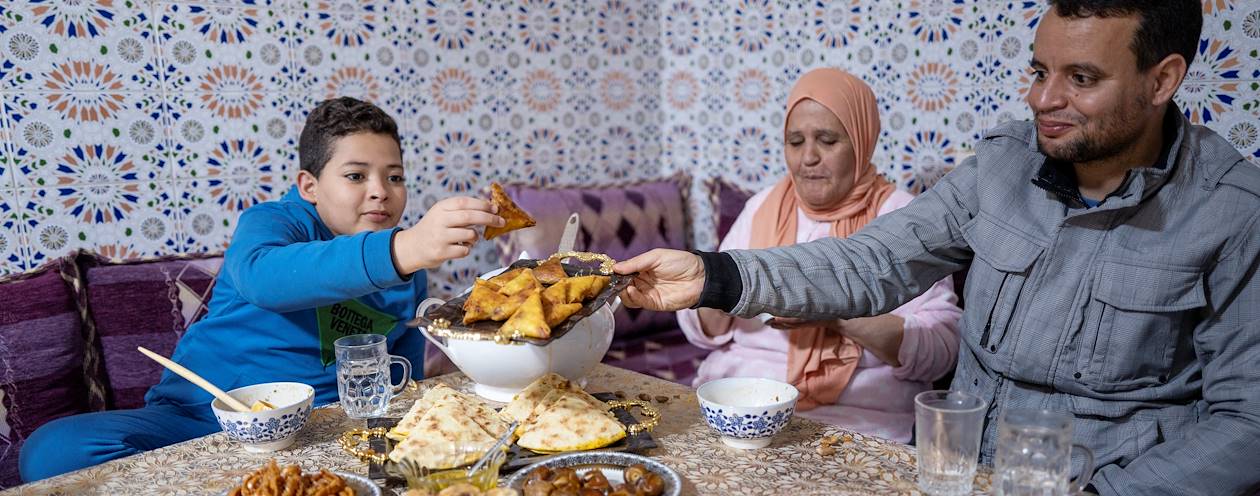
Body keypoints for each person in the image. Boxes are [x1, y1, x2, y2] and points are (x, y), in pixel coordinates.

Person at [613, 1, 1260, 494]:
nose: (1043, 99)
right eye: (1039, 71)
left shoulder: (1232, 211)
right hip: (952, 468)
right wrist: (712, 276)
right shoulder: (1002, 166)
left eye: (1081, 78)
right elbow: (872, 261)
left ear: (1162, 79)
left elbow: (1247, 423)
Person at [19, 97, 504, 481]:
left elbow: (402, 384)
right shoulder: (274, 223)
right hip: (198, 420)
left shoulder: (409, 270)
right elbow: (265, 279)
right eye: (356, 175)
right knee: (53, 451)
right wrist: (403, 248)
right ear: (310, 186)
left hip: (320, 434)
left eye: (394, 177)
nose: (381, 190)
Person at [676, 68, 961, 443]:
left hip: (856, 420)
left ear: (861, 141)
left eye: (827, 140)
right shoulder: (764, 206)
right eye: (795, 142)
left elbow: (943, 350)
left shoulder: (903, 218)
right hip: (743, 409)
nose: (808, 157)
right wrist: (716, 291)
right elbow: (702, 333)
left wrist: (834, 312)